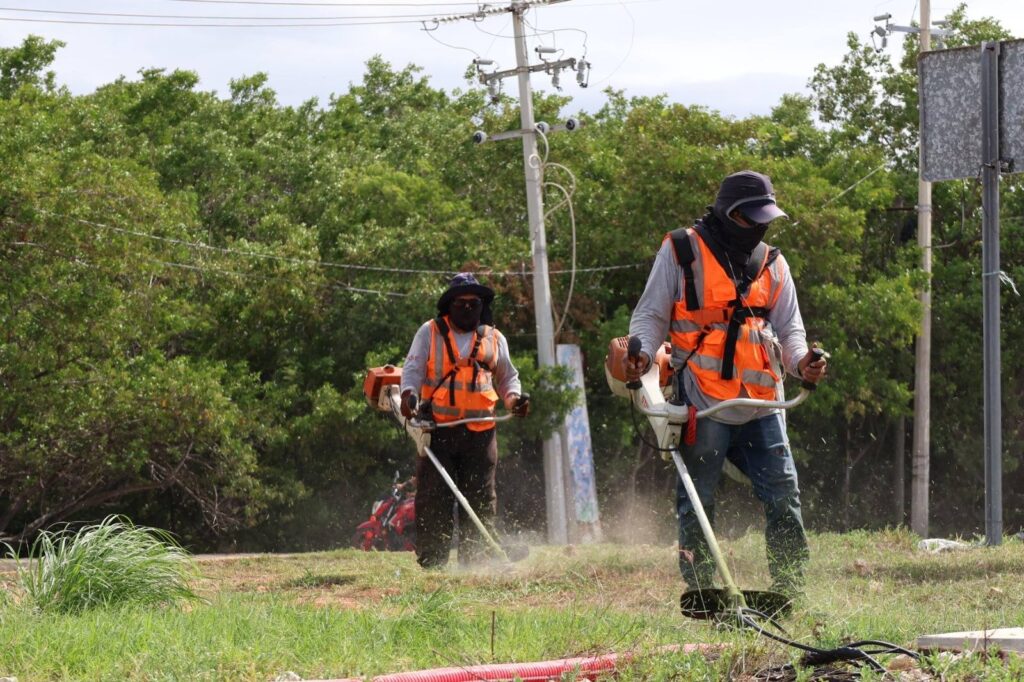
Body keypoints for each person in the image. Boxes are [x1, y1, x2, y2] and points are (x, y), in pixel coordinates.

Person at [625, 170, 827, 597]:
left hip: (762, 403)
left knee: (783, 493)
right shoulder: (681, 250)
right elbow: (651, 315)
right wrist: (641, 355)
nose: (759, 228)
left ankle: (790, 585)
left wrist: (803, 364)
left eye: (765, 220)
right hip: (704, 402)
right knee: (697, 496)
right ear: (730, 213)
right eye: (752, 219)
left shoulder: (773, 263)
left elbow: (791, 331)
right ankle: (700, 587)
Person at [400, 273, 530, 569]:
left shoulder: (494, 339)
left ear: (482, 306)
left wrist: (514, 400)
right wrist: (409, 395)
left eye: (474, 303)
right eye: (461, 303)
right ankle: (433, 561)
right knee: (434, 497)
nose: (468, 308)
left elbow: (508, 377)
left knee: (480, 497)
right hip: (438, 430)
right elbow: (412, 369)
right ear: (450, 305)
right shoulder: (430, 332)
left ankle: (477, 560)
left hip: (481, 432)